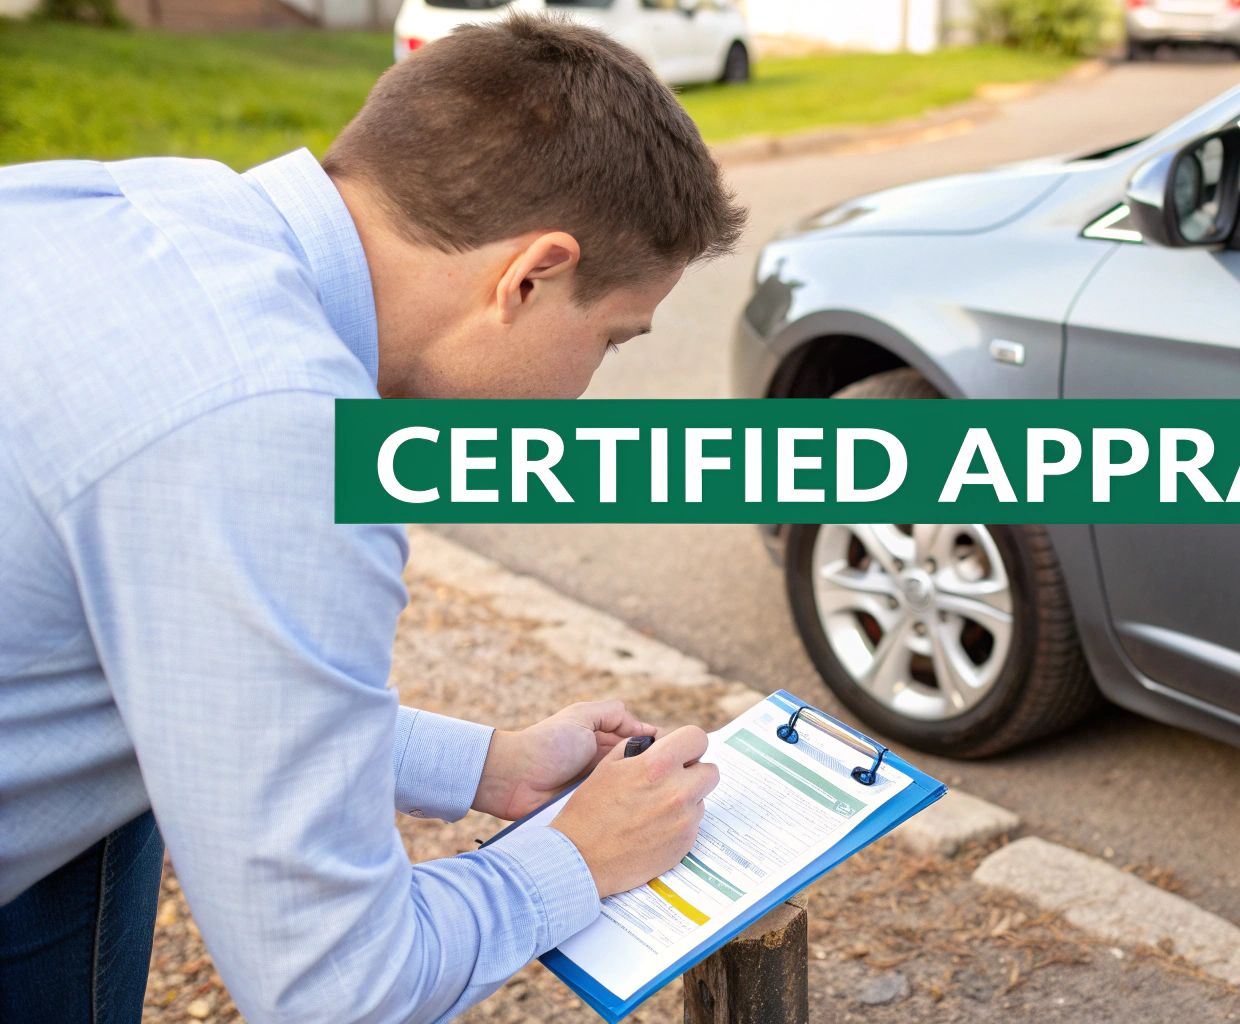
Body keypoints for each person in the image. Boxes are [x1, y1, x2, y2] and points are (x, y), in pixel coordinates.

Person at [0, 14, 744, 1022]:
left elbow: (207, 676)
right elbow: (335, 989)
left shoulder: (143, 202)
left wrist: (494, 766)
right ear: (528, 276)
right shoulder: (280, 428)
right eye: (609, 341)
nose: (586, 401)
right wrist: (574, 857)